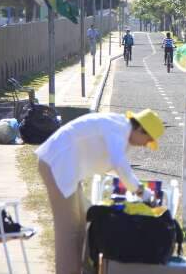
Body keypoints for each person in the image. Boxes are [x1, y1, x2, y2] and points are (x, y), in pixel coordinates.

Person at [36, 110, 165, 274]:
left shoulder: (120, 128)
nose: (145, 145)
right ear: (140, 129)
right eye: (147, 140)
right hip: (57, 165)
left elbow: (113, 164)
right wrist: (142, 192)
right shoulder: (118, 129)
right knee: (69, 233)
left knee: (82, 224)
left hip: (67, 169)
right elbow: (119, 164)